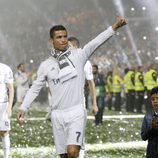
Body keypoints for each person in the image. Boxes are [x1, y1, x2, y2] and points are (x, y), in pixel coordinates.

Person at [17, 16, 127, 158]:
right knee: (64, 156)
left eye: (65, 36)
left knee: (73, 152)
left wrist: (115, 27)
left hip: (76, 112)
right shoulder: (46, 65)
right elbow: (35, 88)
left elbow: (96, 42)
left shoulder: (79, 56)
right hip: (57, 114)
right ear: (51, 41)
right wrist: (23, 107)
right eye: (59, 37)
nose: (63, 39)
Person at [68, 36, 98, 158]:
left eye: (68, 46)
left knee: (79, 136)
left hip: (78, 105)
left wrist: (94, 103)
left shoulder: (85, 62)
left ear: (75, 47)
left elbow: (91, 83)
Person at [0, 63, 14, 158]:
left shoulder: (5, 68)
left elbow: (11, 88)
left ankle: (6, 156)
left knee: (4, 132)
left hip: (2, 105)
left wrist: (9, 107)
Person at [141, 86, 158, 158]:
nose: (155, 101)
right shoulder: (148, 117)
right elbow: (143, 136)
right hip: (152, 153)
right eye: (152, 99)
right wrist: (151, 128)